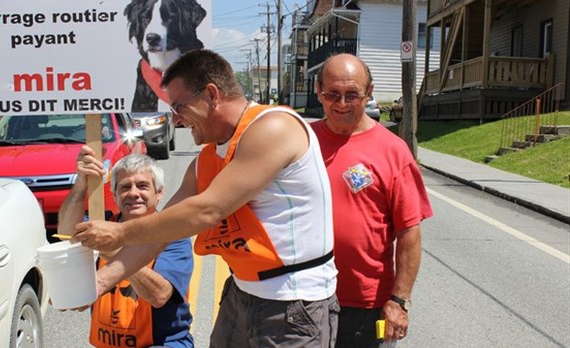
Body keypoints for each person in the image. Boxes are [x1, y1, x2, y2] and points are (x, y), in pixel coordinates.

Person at [73, 49, 339, 347]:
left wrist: (120, 232)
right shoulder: (207, 160)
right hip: (242, 293)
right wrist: (98, 284)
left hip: (292, 302)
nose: (175, 121)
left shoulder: (273, 127)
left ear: (212, 95)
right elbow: (160, 232)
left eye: (179, 107)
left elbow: (206, 211)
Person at [310, 53, 433, 347]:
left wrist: (399, 301)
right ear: (318, 91)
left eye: (352, 94)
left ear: (369, 92)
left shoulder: (393, 150)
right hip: (304, 298)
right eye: (332, 94)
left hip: (366, 304)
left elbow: (409, 233)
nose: (341, 103)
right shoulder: (302, 141)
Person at [58, 148, 194, 348]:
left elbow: (159, 295)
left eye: (142, 185)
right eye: (125, 187)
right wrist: (81, 183)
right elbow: (67, 233)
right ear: (114, 195)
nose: (133, 193)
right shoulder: (103, 227)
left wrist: (115, 252)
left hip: (162, 343)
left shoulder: (172, 235)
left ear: (159, 193)